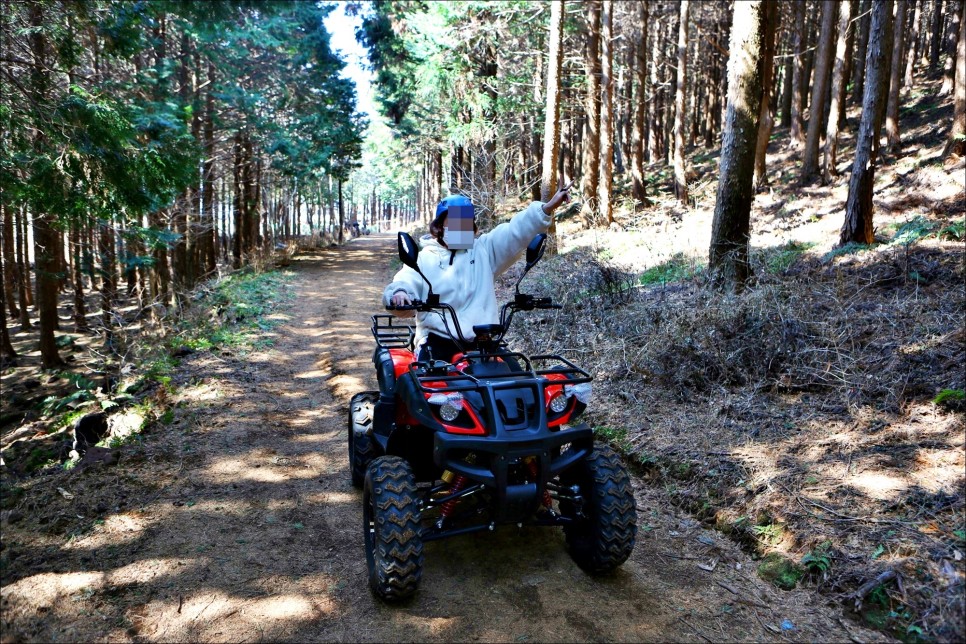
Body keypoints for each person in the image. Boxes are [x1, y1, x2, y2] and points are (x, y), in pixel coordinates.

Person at [383, 184, 572, 363]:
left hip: (484, 342)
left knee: (518, 383)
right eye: (455, 221)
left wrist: (547, 208)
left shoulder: (484, 250)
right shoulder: (423, 259)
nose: (462, 227)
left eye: (467, 221)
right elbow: (406, 280)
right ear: (440, 226)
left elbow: (516, 232)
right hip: (437, 341)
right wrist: (400, 294)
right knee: (429, 389)